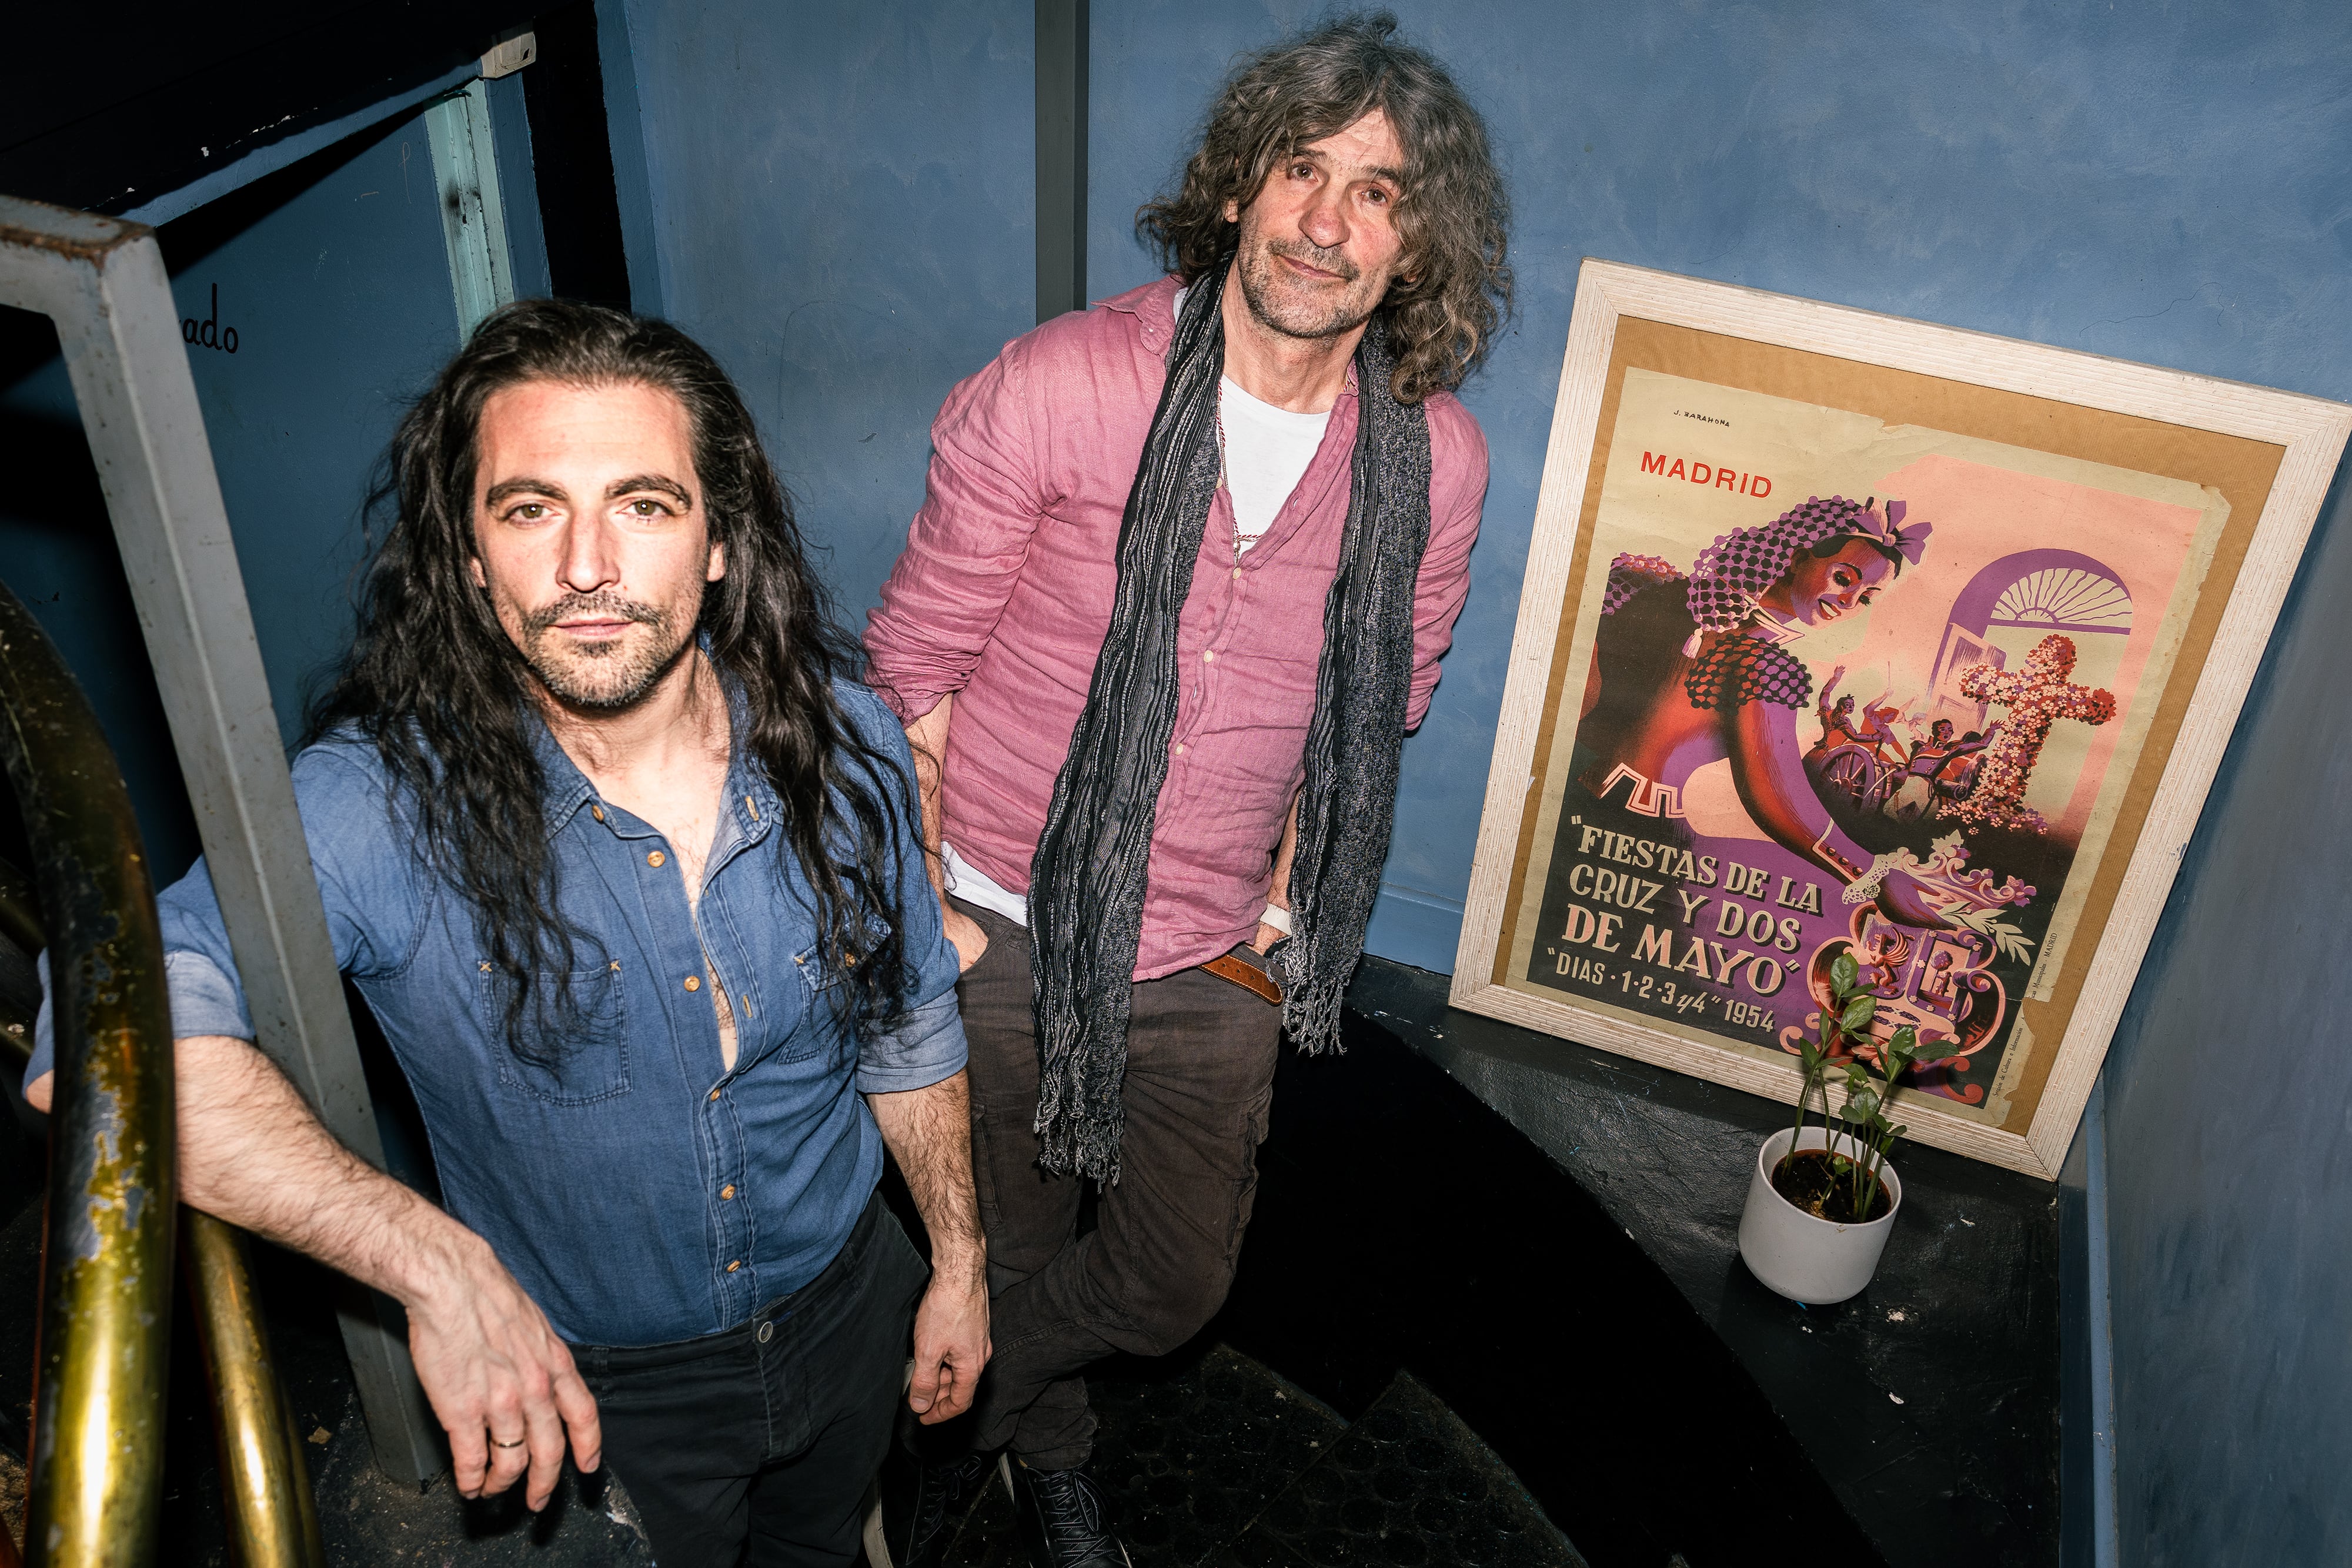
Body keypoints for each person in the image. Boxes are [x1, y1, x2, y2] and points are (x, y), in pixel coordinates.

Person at [24, 300, 990, 1568]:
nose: (587, 564)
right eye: (532, 509)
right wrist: (431, 1259)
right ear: (472, 560)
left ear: (717, 543)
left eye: (644, 504)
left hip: (851, 1307)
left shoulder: (849, 741)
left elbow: (910, 1019)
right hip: (593, 1392)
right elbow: (102, 1041)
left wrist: (959, 1258)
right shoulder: (381, 805)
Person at [860, 14, 1506, 1566]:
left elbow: (1382, 699)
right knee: (1011, 1225)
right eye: (1300, 171)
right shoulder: (1063, 385)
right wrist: (928, 912)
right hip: (998, 907)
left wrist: (1285, 892)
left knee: (1169, 1283)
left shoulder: (1436, 461)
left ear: (1417, 247)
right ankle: (1050, 1456)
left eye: (1377, 193)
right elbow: (909, 668)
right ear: (1236, 188)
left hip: (1213, 940)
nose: (1326, 222)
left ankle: (957, 1406)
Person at [1578, 494, 1946, 924]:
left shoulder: (1661, 587)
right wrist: (1875, 877)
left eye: (1865, 598)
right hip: (1639, 839)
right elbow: (1777, 796)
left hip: (1579, 792)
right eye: (1844, 578)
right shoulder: (1764, 664)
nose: (1849, 603)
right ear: (1797, 558)